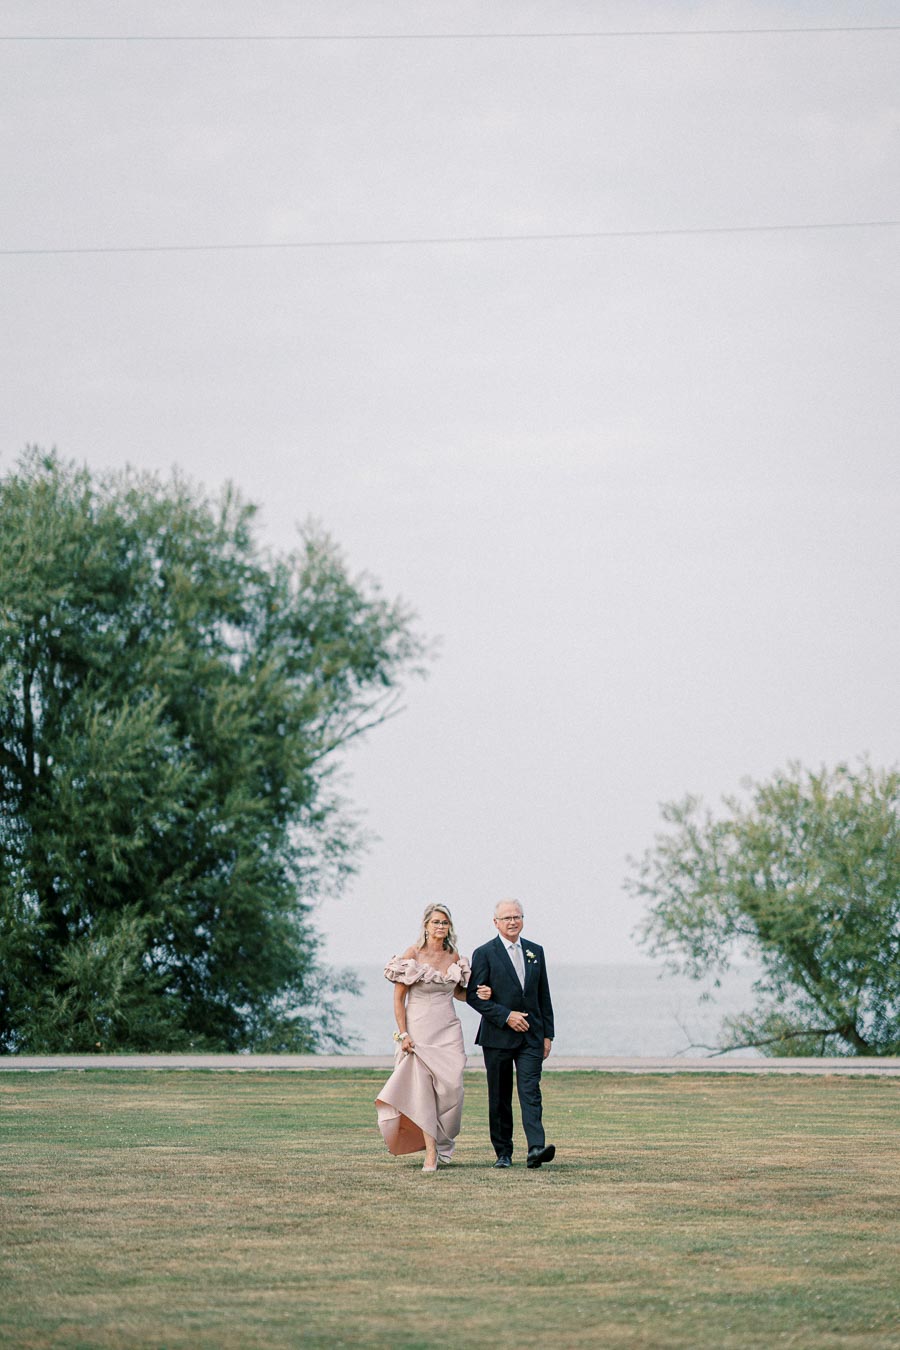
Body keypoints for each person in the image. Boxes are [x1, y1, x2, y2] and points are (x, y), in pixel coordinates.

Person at [375, 904, 472, 1173]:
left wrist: (480, 994)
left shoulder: (454, 956)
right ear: (426, 925)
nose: (441, 927)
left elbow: (458, 993)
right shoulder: (412, 954)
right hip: (417, 1029)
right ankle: (431, 1152)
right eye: (436, 922)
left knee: (452, 1088)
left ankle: (443, 1141)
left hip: (448, 1028)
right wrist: (403, 1033)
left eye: (445, 923)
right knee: (422, 1092)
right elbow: (398, 998)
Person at [467, 897, 556, 1168]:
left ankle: (536, 1149)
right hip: (497, 1037)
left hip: (531, 1035)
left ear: (523, 920)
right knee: (500, 1095)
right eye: (506, 918)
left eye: (517, 916)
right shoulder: (484, 953)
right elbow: (474, 995)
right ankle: (503, 1153)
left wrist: (548, 1035)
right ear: (496, 923)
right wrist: (506, 1016)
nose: (512, 921)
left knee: (530, 1091)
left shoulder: (535, 951)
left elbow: (544, 996)